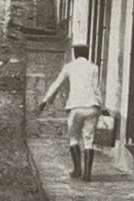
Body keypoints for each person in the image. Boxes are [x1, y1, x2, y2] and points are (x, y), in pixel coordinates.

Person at [38, 42, 104, 182]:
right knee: (89, 140)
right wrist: (101, 106)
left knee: (73, 138)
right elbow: (97, 89)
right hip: (92, 106)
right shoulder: (94, 68)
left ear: (75, 53)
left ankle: (77, 170)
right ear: (87, 53)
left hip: (75, 107)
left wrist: (45, 100)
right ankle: (87, 174)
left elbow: (57, 84)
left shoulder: (69, 67)